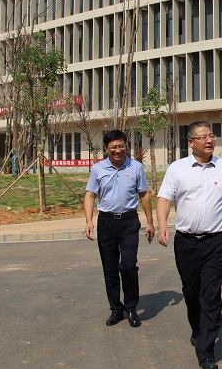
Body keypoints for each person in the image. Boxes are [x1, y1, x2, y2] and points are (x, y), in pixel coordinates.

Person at [156, 121, 222, 369]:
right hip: (186, 242)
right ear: (191, 142)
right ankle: (197, 327)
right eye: (203, 137)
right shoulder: (177, 168)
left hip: (215, 241)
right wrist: (162, 225)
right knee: (192, 292)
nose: (209, 140)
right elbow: (164, 199)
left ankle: (205, 350)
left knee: (211, 295)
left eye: (212, 136)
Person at [84, 130, 155, 328]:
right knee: (110, 268)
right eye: (113, 147)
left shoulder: (135, 167)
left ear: (126, 145)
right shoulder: (98, 169)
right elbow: (90, 195)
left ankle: (131, 307)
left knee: (129, 266)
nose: (118, 150)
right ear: (106, 148)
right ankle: (116, 309)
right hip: (106, 222)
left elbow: (144, 194)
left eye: (121, 146)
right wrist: (89, 220)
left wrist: (150, 221)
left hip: (129, 222)